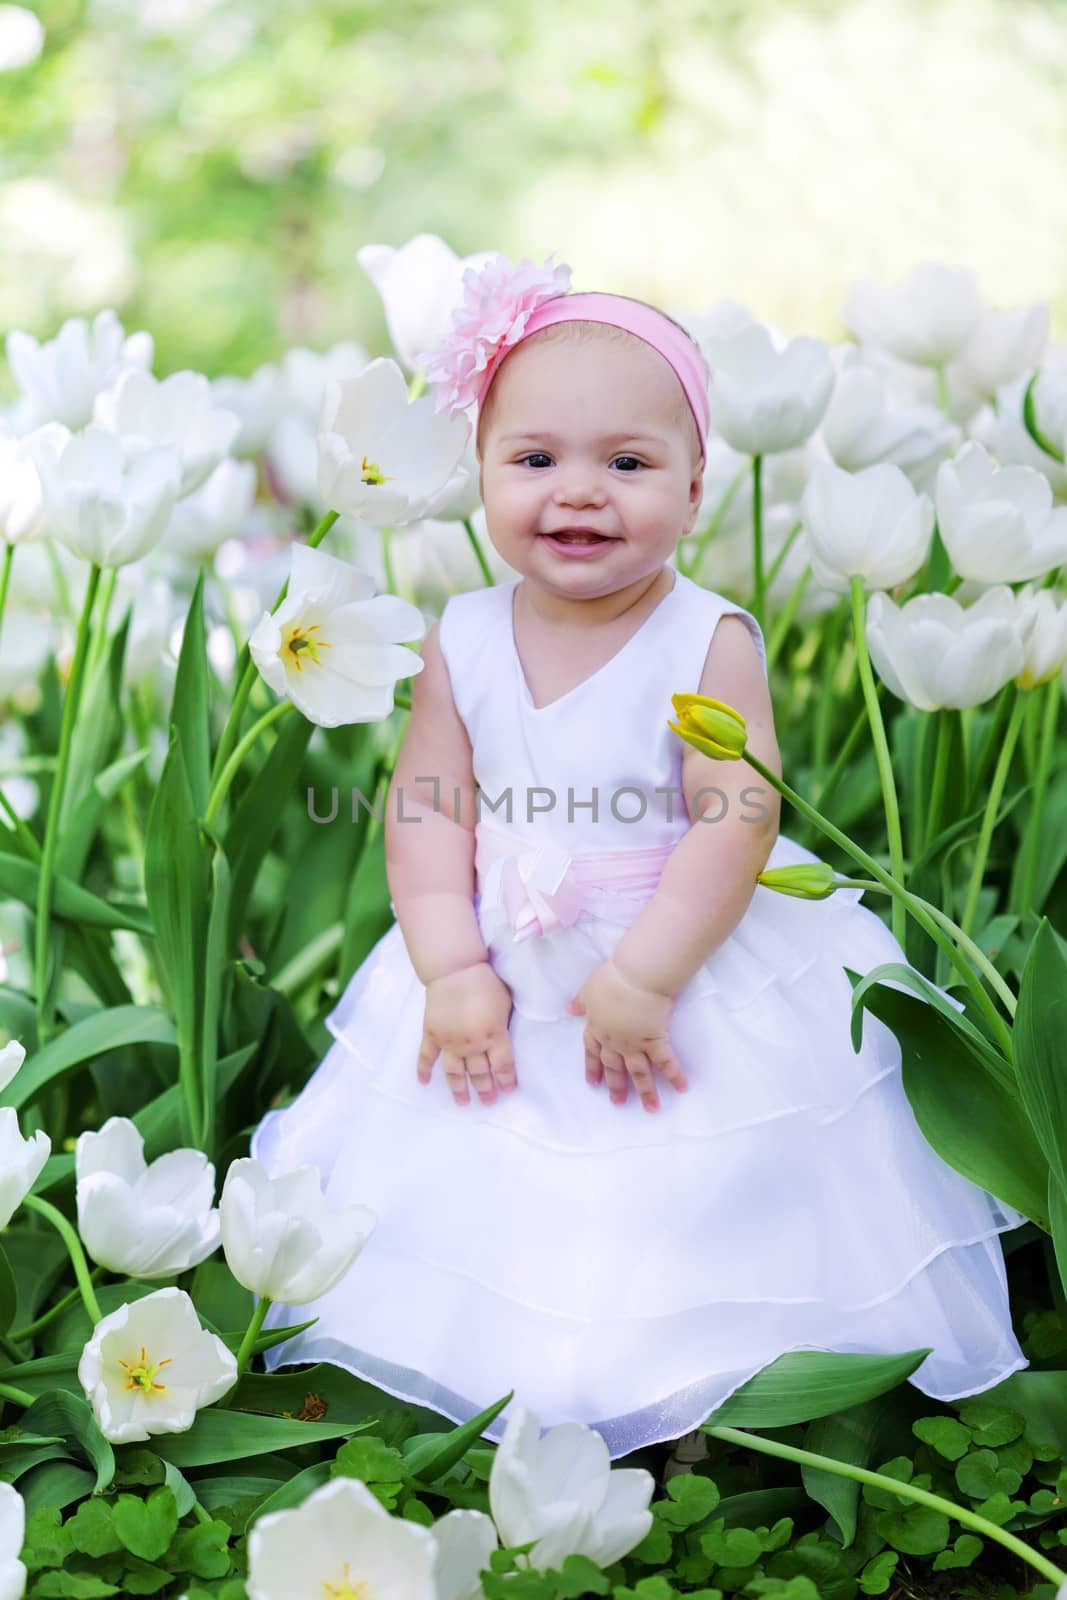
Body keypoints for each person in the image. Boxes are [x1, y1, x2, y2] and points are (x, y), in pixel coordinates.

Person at [250, 253, 1029, 1465]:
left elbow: (735, 817)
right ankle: (510, 1378)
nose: (579, 493)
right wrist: (452, 966)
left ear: (696, 481)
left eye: (626, 462)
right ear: (481, 473)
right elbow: (426, 807)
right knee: (497, 1178)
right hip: (501, 965)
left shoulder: (704, 636)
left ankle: (701, 1391)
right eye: (535, 459)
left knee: (687, 1174)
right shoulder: (460, 635)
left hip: (682, 950)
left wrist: (649, 973)